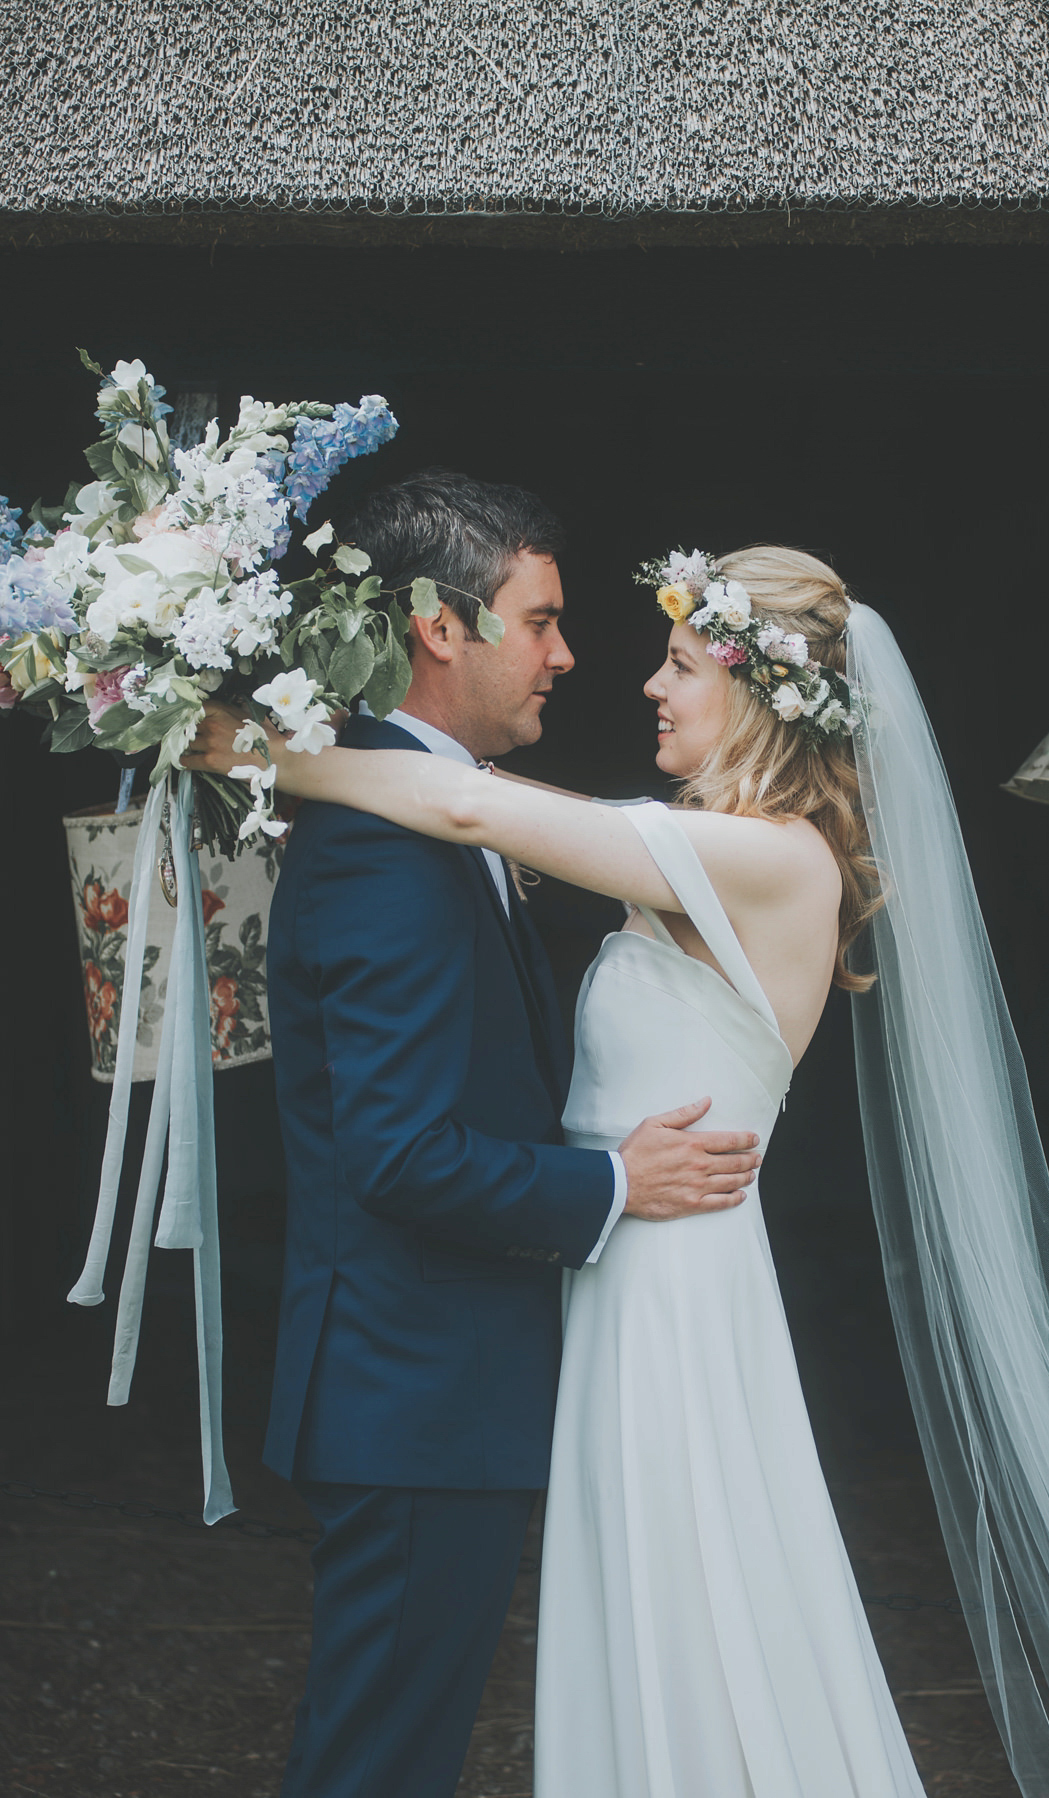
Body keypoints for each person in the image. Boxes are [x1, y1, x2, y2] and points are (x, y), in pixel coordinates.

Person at [188, 542, 1049, 1798]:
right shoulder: (701, 848)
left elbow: (467, 806)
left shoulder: (774, 860)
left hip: (676, 1291)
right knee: (649, 1598)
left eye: (681, 662)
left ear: (764, 692)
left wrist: (242, 744)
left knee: (692, 1597)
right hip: (617, 1277)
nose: (649, 687)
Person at [222, 475, 763, 1798]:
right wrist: (614, 1182)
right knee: (378, 1763)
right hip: (414, 1393)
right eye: (543, 620)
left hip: (437, 1387)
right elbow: (399, 1152)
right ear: (441, 628)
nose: (568, 656)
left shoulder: (443, 809)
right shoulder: (385, 845)